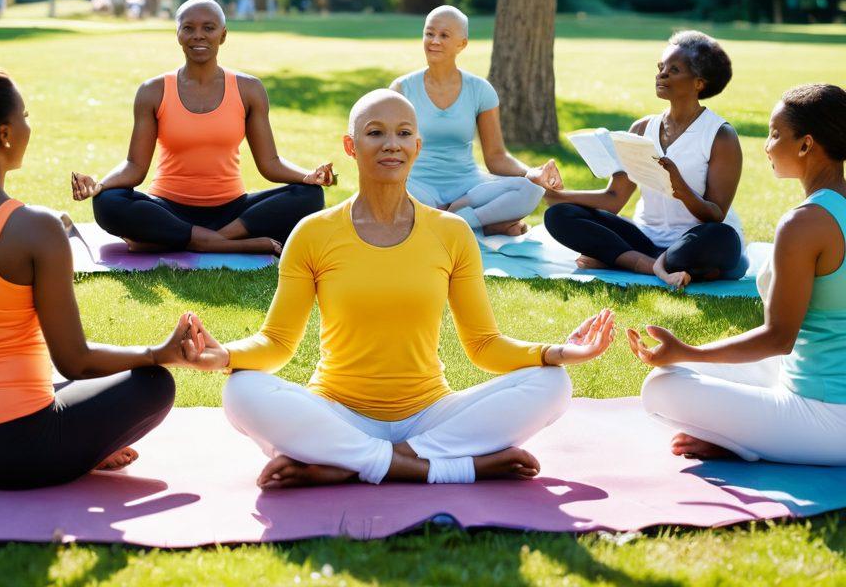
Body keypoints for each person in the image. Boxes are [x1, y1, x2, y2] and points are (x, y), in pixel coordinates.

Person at [181, 89, 615, 489]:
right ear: (351, 146)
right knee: (240, 391)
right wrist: (225, 356)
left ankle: (348, 465)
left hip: (429, 415)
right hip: (338, 413)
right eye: (375, 133)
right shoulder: (313, 233)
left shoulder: (451, 232)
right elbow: (276, 342)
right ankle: (447, 468)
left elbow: (484, 345)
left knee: (553, 385)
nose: (392, 144)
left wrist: (556, 352)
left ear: (417, 147)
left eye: (404, 133)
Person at [0, 65, 198, 489]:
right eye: (24, 116)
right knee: (154, 385)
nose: (29, 125)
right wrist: (158, 353)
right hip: (17, 448)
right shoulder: (37, 227)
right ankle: (85, 446)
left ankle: (77, 437)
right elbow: (75, 361)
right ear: (4, 135)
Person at [628, 84, 846, 465]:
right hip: (809, 374)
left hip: (826, 414)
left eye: (775, 133)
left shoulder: (805, 224)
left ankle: (746, 441)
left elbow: (778, 338)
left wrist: (687, 349)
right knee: (686, 367)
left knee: (661, 386)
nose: (766, 145)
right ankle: (746, 432)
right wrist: (688, 356)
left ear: (806, 145)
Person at [73, 0, 333, 256]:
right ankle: (228, 243)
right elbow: (135, 167)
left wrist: (307, 176)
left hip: (233, 212)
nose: (198, 36)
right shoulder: (152, 91)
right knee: (108, 202)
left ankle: (198, 240)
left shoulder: (249, 89)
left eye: (208, 28)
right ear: (177, 34)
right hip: (167, 210)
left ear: (223, 35)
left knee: (310, 195)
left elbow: (270, 163)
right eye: (188, 28)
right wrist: (100, 185)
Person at [543, 31, 745, 289]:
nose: (662, 74)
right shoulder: (641, 128)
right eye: (661, 67)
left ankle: (624, 260)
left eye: (674, 69)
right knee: (560, 216)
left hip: (692, 241)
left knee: (723, 238)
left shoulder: (720, 135)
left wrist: (680, 188)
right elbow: (614, 199)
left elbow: (715, 215)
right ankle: (658, 266)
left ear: (699, 83)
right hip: (643, 239)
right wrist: (551, 194)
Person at [390, 6, 562, 237]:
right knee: (392, 195)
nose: (434, 41)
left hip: (467, 188)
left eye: (444, 35)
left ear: (462, 44)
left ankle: (460, 220)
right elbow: (390, 148)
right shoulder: (402, 88)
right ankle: (484, 223)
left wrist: (533, 174)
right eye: (429, 33)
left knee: (531, 190)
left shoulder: (480, 90)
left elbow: (496, 157)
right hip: (418, 186)